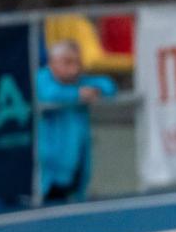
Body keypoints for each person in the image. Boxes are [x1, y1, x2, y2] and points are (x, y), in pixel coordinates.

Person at [37, 40, 117, 202]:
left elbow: (109, 86)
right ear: (52, 62)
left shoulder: (80, 82)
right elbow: (50, 94)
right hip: (49, 169)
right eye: (67, 62)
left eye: (77, 62)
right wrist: (78, 95)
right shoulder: (42, 79)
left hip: (77, 165)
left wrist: (96, 90)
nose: (74, 68)